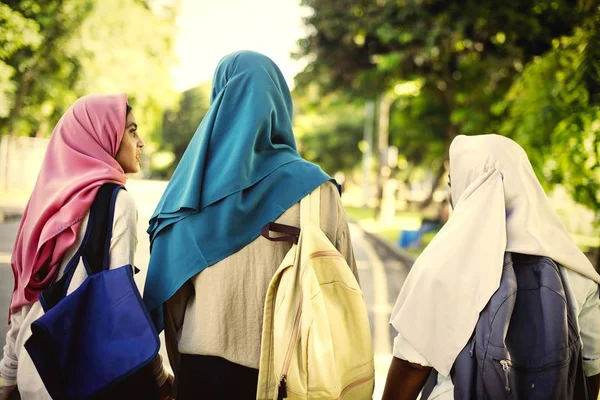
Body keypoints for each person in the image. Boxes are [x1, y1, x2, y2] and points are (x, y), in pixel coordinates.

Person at [143, 50, 359, 399]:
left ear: (220, 100)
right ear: (280, 103)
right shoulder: (317, 190)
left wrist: (183, 371)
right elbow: (343, 288)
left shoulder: (189, 195)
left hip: (204, 375)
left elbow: (173, 302)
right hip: (293, 376)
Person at [383, 134, 600, 400]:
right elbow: (591, 368)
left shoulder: (443, 267)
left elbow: (411, 364)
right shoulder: (576, 268)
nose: (451, 194)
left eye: (454, 182)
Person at [0, 94, 172, 399]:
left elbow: (26, 297)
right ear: (103, 136)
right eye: (132, 131)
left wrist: (8, 373)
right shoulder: (117, 201)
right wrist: (158, 375)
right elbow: (121, 304)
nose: (141, 141)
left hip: (37, 364)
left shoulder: (46, 202)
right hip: (85, 373)